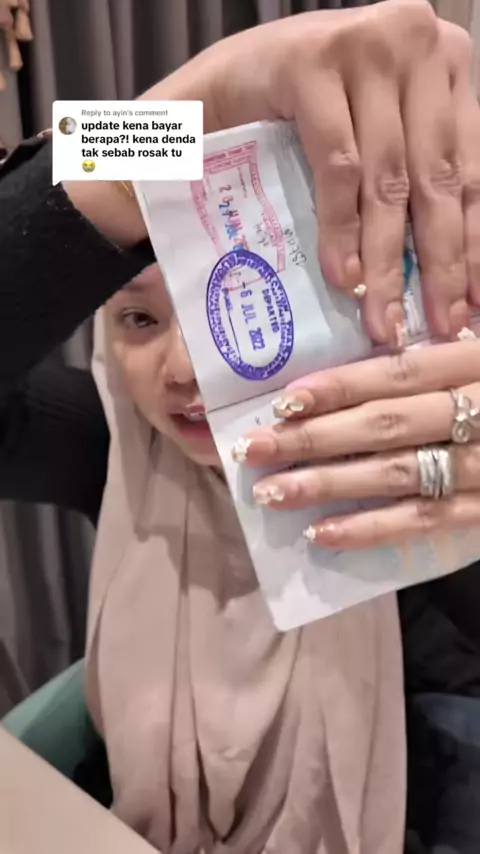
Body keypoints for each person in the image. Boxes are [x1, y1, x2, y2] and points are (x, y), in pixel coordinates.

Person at [2, 1, 480, 851]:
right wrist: (178, 113)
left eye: (229, 305)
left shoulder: (412, 481)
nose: (186, 370)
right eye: (139, 320)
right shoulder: (110, 447)